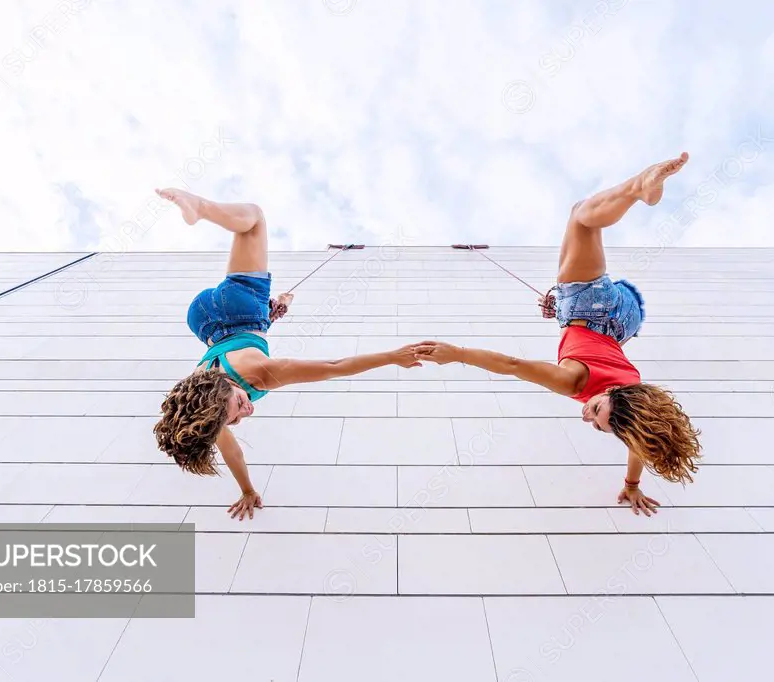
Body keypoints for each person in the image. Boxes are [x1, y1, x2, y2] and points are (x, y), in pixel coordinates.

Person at [416, 153, 701, 516]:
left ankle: (635, 193)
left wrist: (632, 485)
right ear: (612, 392)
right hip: (590, 307)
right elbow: (511, 364)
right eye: (595, 409)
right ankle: (638, 186)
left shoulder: (635, 388)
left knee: (582, 229)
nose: (587, 414)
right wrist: (455, 353)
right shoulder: (573, 382)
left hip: (623, 321)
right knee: (581, 217)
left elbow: (635, 443)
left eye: (597, 425)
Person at [151, 188, 428, 520]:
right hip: (203, 320)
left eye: (240, 405)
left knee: (253, 219)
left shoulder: (258, 376)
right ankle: (270, 306)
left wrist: (393, 357)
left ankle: (201, 207)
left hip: (241, 313)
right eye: (236, 417)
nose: (245, 413)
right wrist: (248, 491)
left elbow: (334, 366)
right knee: (257, 306)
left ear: (224, 389)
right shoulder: (207, 410)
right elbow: (234, 454)